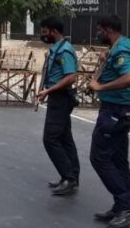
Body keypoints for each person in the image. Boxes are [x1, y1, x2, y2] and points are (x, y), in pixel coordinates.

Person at [87, 15, 130, 228]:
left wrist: (100, 87)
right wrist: (104, 60)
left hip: (116, 111)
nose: (98, 33)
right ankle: (121, 206)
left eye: (100, 30)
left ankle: (126, 205)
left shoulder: (121, 50)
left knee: (99, 157)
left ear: (108, 29)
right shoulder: (125, 45)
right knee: (118, 160)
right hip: (122, 109)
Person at [36, 17, 80, 196]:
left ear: (54, 31)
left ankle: (69, 178)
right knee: (64, 139)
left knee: (50, 139)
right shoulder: (56, 50)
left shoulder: (65, 51)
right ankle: (71, 177)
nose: (43, 35)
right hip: (57, 96)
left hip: (61, 98)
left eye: (45, 31)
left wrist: (48, 90)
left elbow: (71, 77)